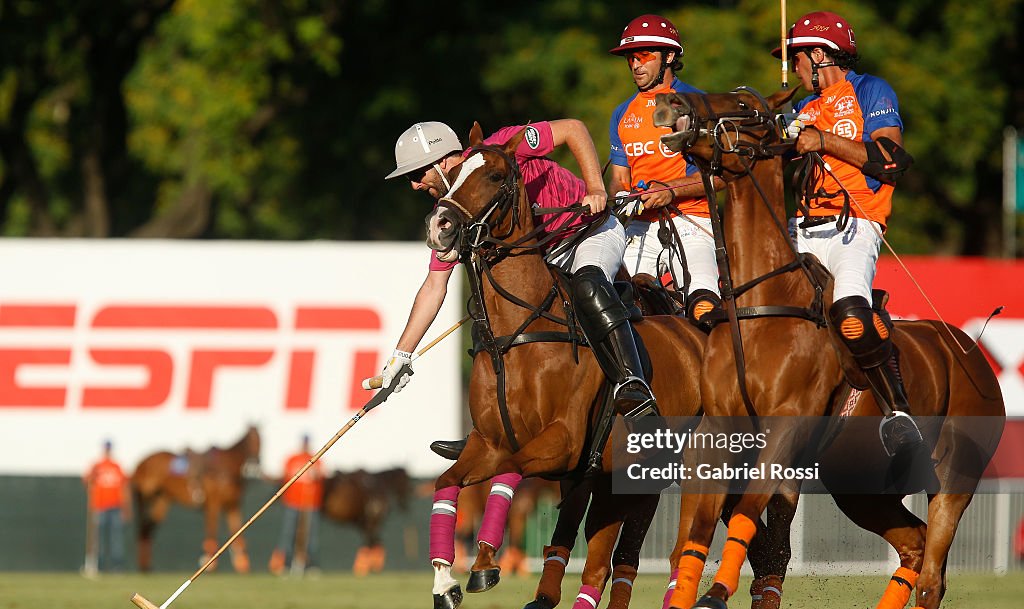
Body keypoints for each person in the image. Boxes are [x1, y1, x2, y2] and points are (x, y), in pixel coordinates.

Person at [377, 119, 658, 421]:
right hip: (547, 257)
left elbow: (574, 129)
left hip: (588, 232)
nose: (415, 185)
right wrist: (401, 355)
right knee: (488, 321)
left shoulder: (506, 146)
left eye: (418, 174)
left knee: (588, 285)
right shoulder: (451, 214)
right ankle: (493, 428)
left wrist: (595, 188)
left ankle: (634, 384)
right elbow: (434, 286)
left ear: (444, 160)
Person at [774, 10, 921, 456]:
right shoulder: (799, 107)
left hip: (854, 225)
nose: (795, 69)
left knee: (851, 314)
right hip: (799, 228)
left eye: (797, 59)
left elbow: (892, 160)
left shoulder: (870, 90)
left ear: (819, 55)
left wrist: (824, 140)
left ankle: (899, 413)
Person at [608, 14, 722, 330]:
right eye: (631, 57)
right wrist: (620, 195)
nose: (635, 64)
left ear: (669, 56)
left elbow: (719, 177)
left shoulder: (699, 103)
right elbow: (619, 176)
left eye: (645, 55)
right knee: (615, 304)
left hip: (691, 221)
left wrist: (668, 191)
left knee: (704, 307)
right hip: (639, 228)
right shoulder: (622, 113)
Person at [269, 435, 324, 575]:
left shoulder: (316, 458)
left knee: (310, 536)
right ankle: (286, 564)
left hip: (310, 504)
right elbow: (285, 476)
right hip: (292, 502)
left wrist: (315, 475)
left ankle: (311, 565)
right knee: (289, 534)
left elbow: (322, 476)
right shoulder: (292, 459)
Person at [82, 440, 131, 573]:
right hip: (100, 506)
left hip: (115, 506)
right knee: (99, 539)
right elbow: (86, 480)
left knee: (116, 539)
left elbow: (123, 487)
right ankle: (100, 565)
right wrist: (91, 477)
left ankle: (117, 566)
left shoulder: (116, 466)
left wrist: (125, 508)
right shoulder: (97, 466)